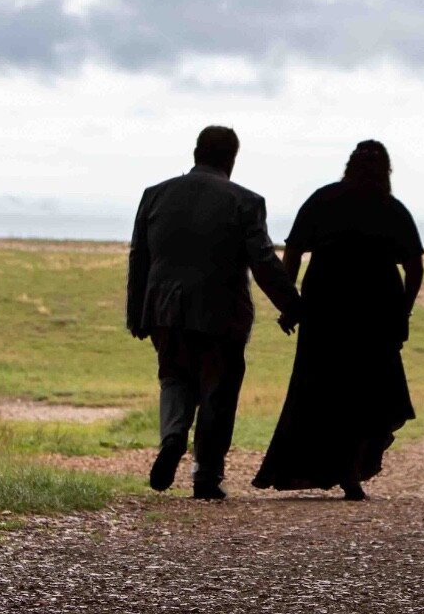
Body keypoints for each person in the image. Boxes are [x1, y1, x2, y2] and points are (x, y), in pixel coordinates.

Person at [126, 125, 301, 501]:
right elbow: (264, 262)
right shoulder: (246, 201)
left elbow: (139, 257)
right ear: (231, 159)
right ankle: (206, 473)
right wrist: (292, 305)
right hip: (222, 312)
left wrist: (137, 313)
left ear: (195, 152)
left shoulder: (154, 195)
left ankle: (172, 435)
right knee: (217, 390)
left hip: (164, 308)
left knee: (173, 376)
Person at [253, 140, 424, 500]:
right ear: (386, 171)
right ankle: (350, 469)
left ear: (349, 165)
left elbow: (294, 252)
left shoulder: (323, 199)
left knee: (322, 388)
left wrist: (291, 304)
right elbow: (414, 267)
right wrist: (402, 311)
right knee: (368, 391)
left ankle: (330, 467)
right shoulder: (391, 209)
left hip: (326, 306)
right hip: (376, 310)